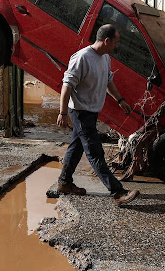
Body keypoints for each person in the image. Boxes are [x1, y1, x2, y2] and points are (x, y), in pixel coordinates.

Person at [56, 24, 140, 206]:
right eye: (115, 42)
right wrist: (63, 112)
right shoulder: (82, 58)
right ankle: (118, 192)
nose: (117, 46)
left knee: (76, 147)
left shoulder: (105, 58)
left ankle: (64, 183)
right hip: (80, 112)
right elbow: (67, 85)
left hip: (92, 111)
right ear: (106, 40)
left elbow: (108, 80)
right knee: (95, 152)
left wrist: (120, 100)